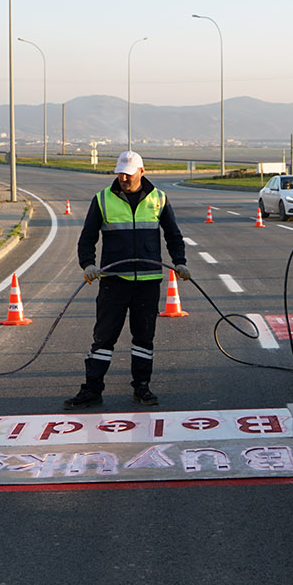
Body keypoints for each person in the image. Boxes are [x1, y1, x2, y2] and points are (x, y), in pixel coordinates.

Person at [63, 151, 188, 410]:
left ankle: (142, 387)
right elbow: (87, 238)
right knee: (104, 338)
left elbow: (173, 235)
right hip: (114, 282)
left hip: (148, 282)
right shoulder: (102, 200)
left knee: (143, 338)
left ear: (141, 172)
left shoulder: (159, 199)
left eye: (128, 174)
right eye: (120, 173)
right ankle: (92, 389)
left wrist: (180, 262)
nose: (123, 177)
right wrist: (88, 264)